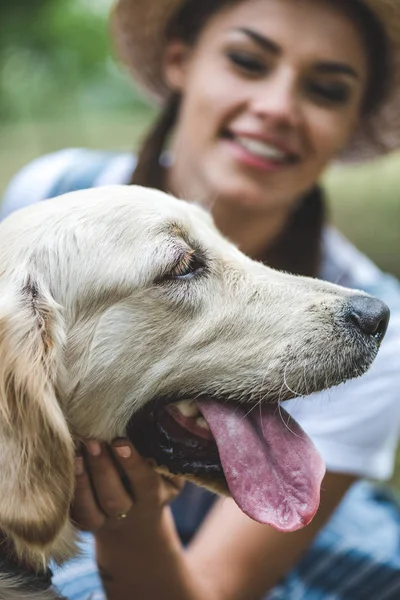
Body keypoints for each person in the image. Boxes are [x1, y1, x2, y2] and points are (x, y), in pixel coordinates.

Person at [2, 0, 400, 598]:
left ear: (351, 121)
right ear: (181, 62)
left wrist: (131, 526)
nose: (277, 107)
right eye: (247, 61)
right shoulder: (51, 193)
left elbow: (215, 588)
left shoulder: (387, 331)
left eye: (326, 89)